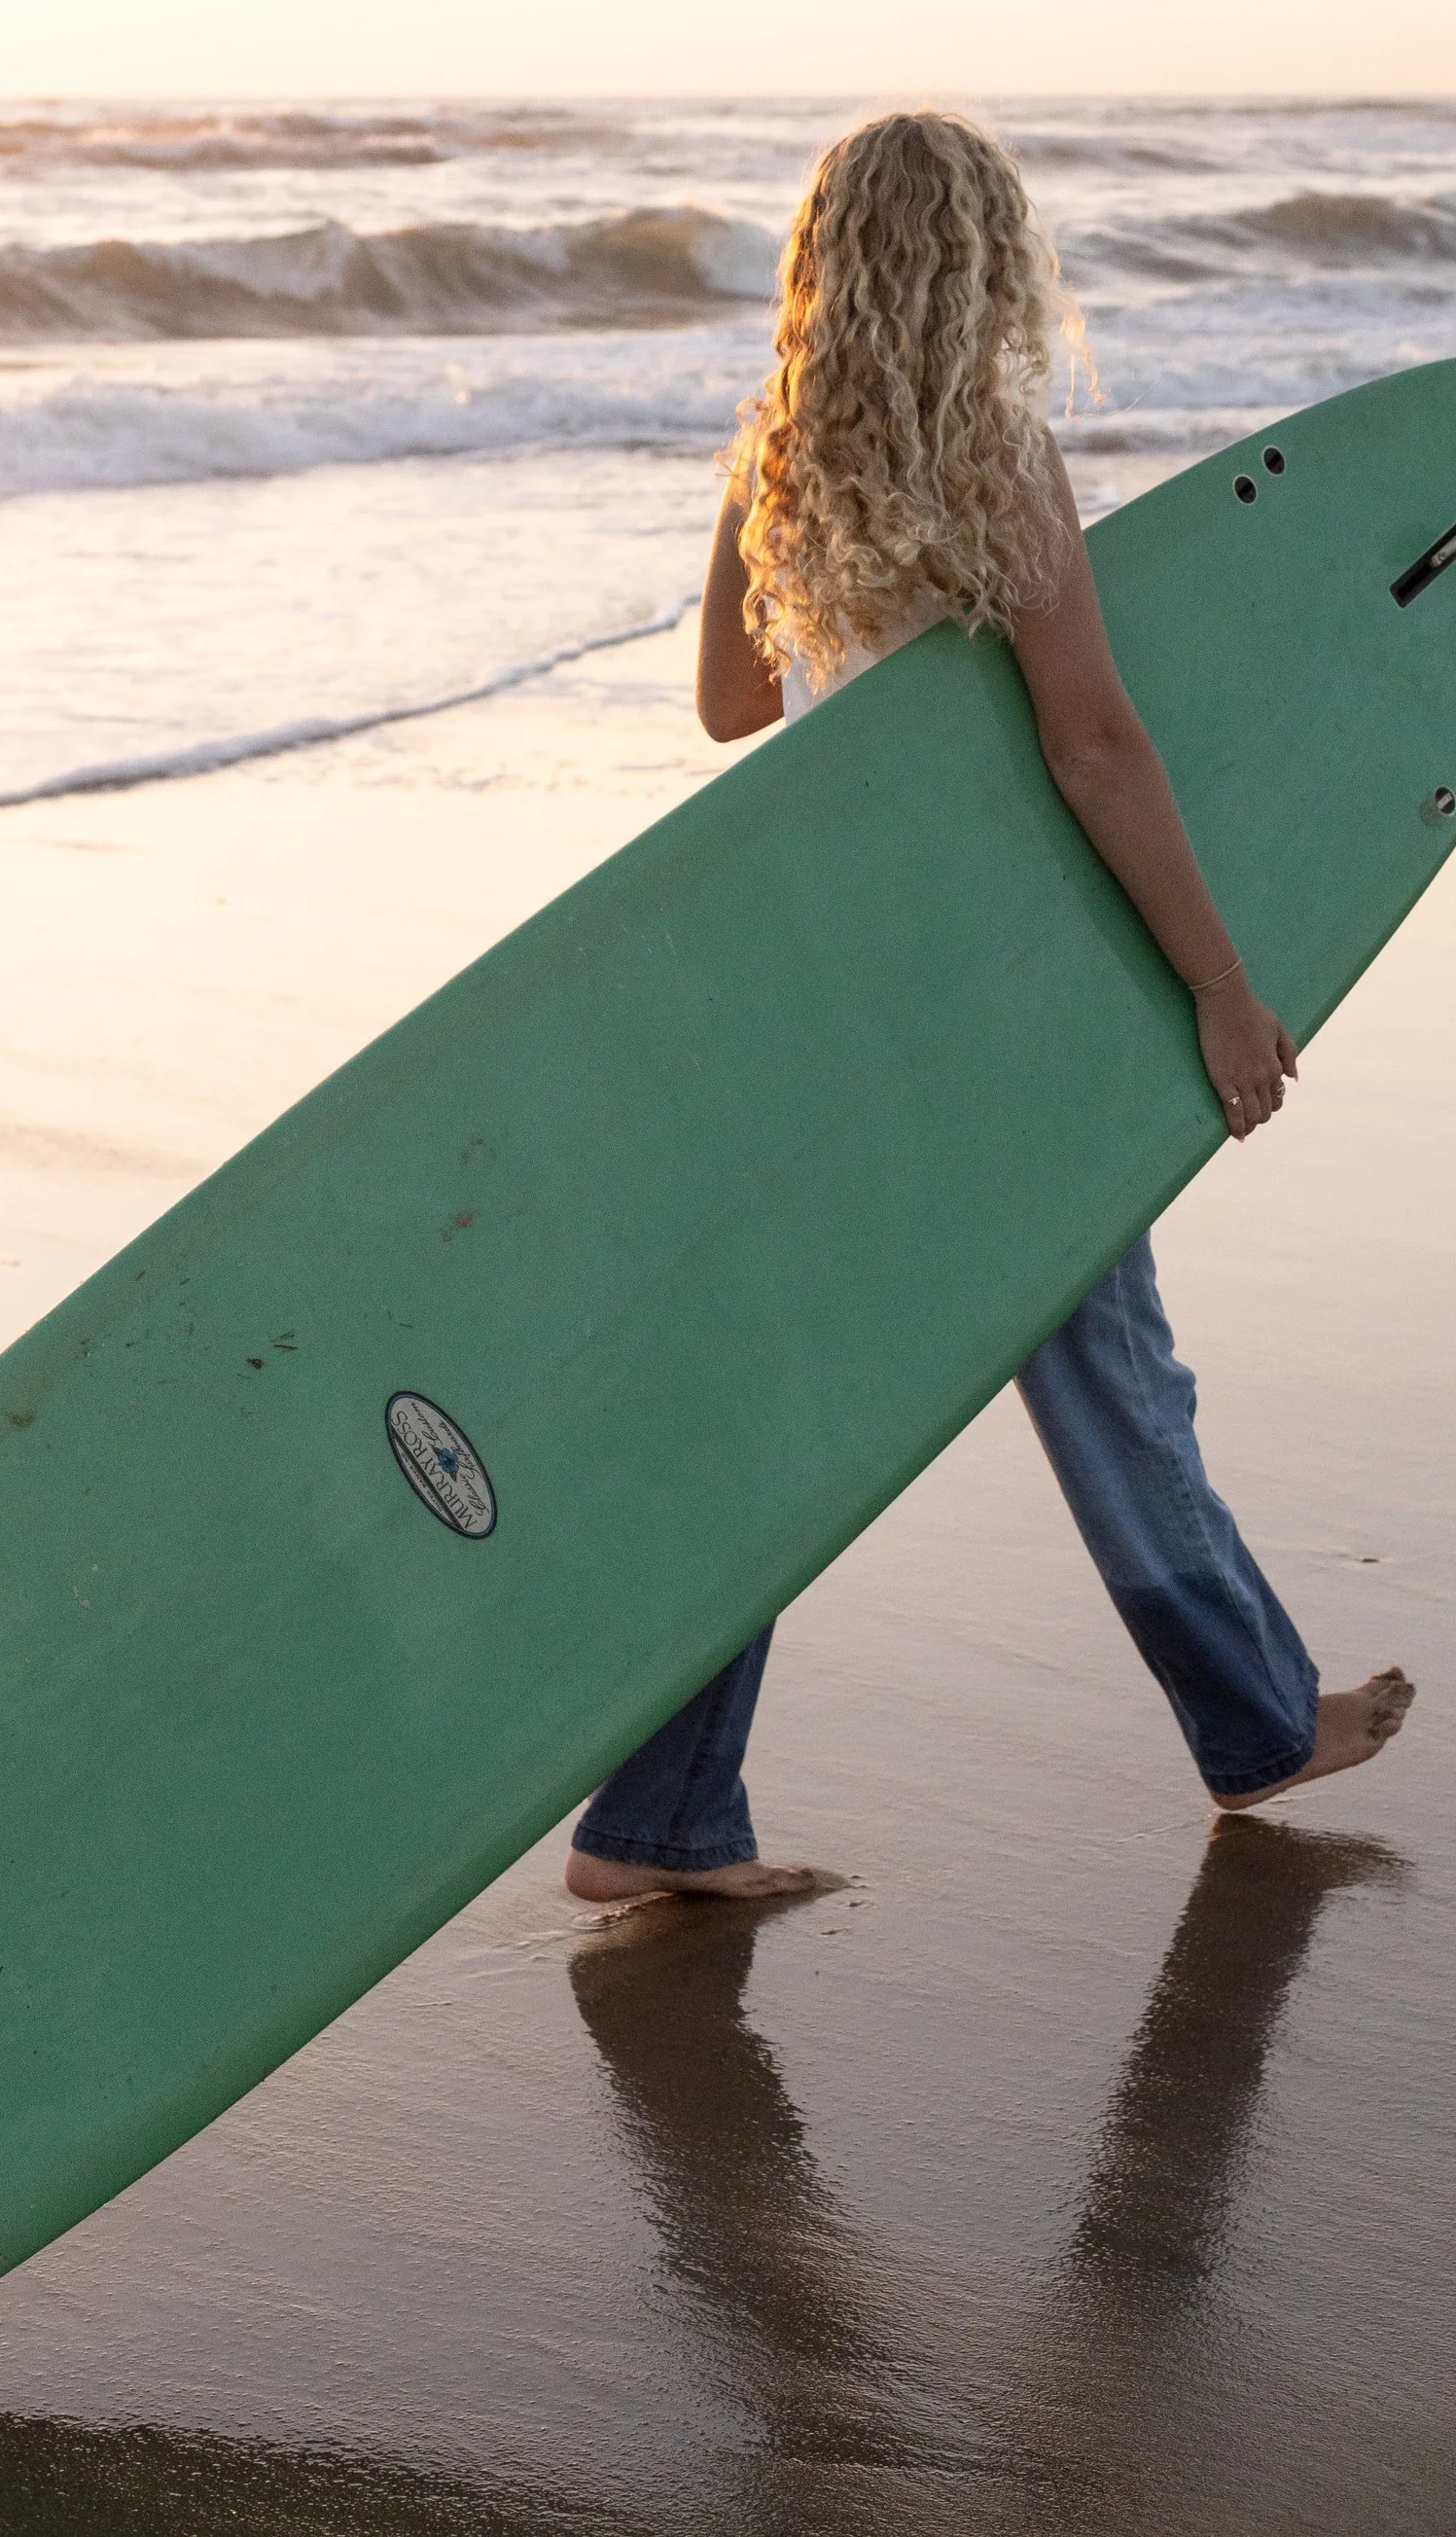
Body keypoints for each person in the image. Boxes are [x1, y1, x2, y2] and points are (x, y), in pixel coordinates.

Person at [566, 112, 1412, 1904]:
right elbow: (1092, 741)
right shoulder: (995, 457)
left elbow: (727, 708)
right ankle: (1256, 1721)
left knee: (797, 1410)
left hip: (806, 1006)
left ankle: (659, 1818)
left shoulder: (773, 462)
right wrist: (1223, 990)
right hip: (974, 1017)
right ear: (983, 262)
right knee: (1108, 1362)